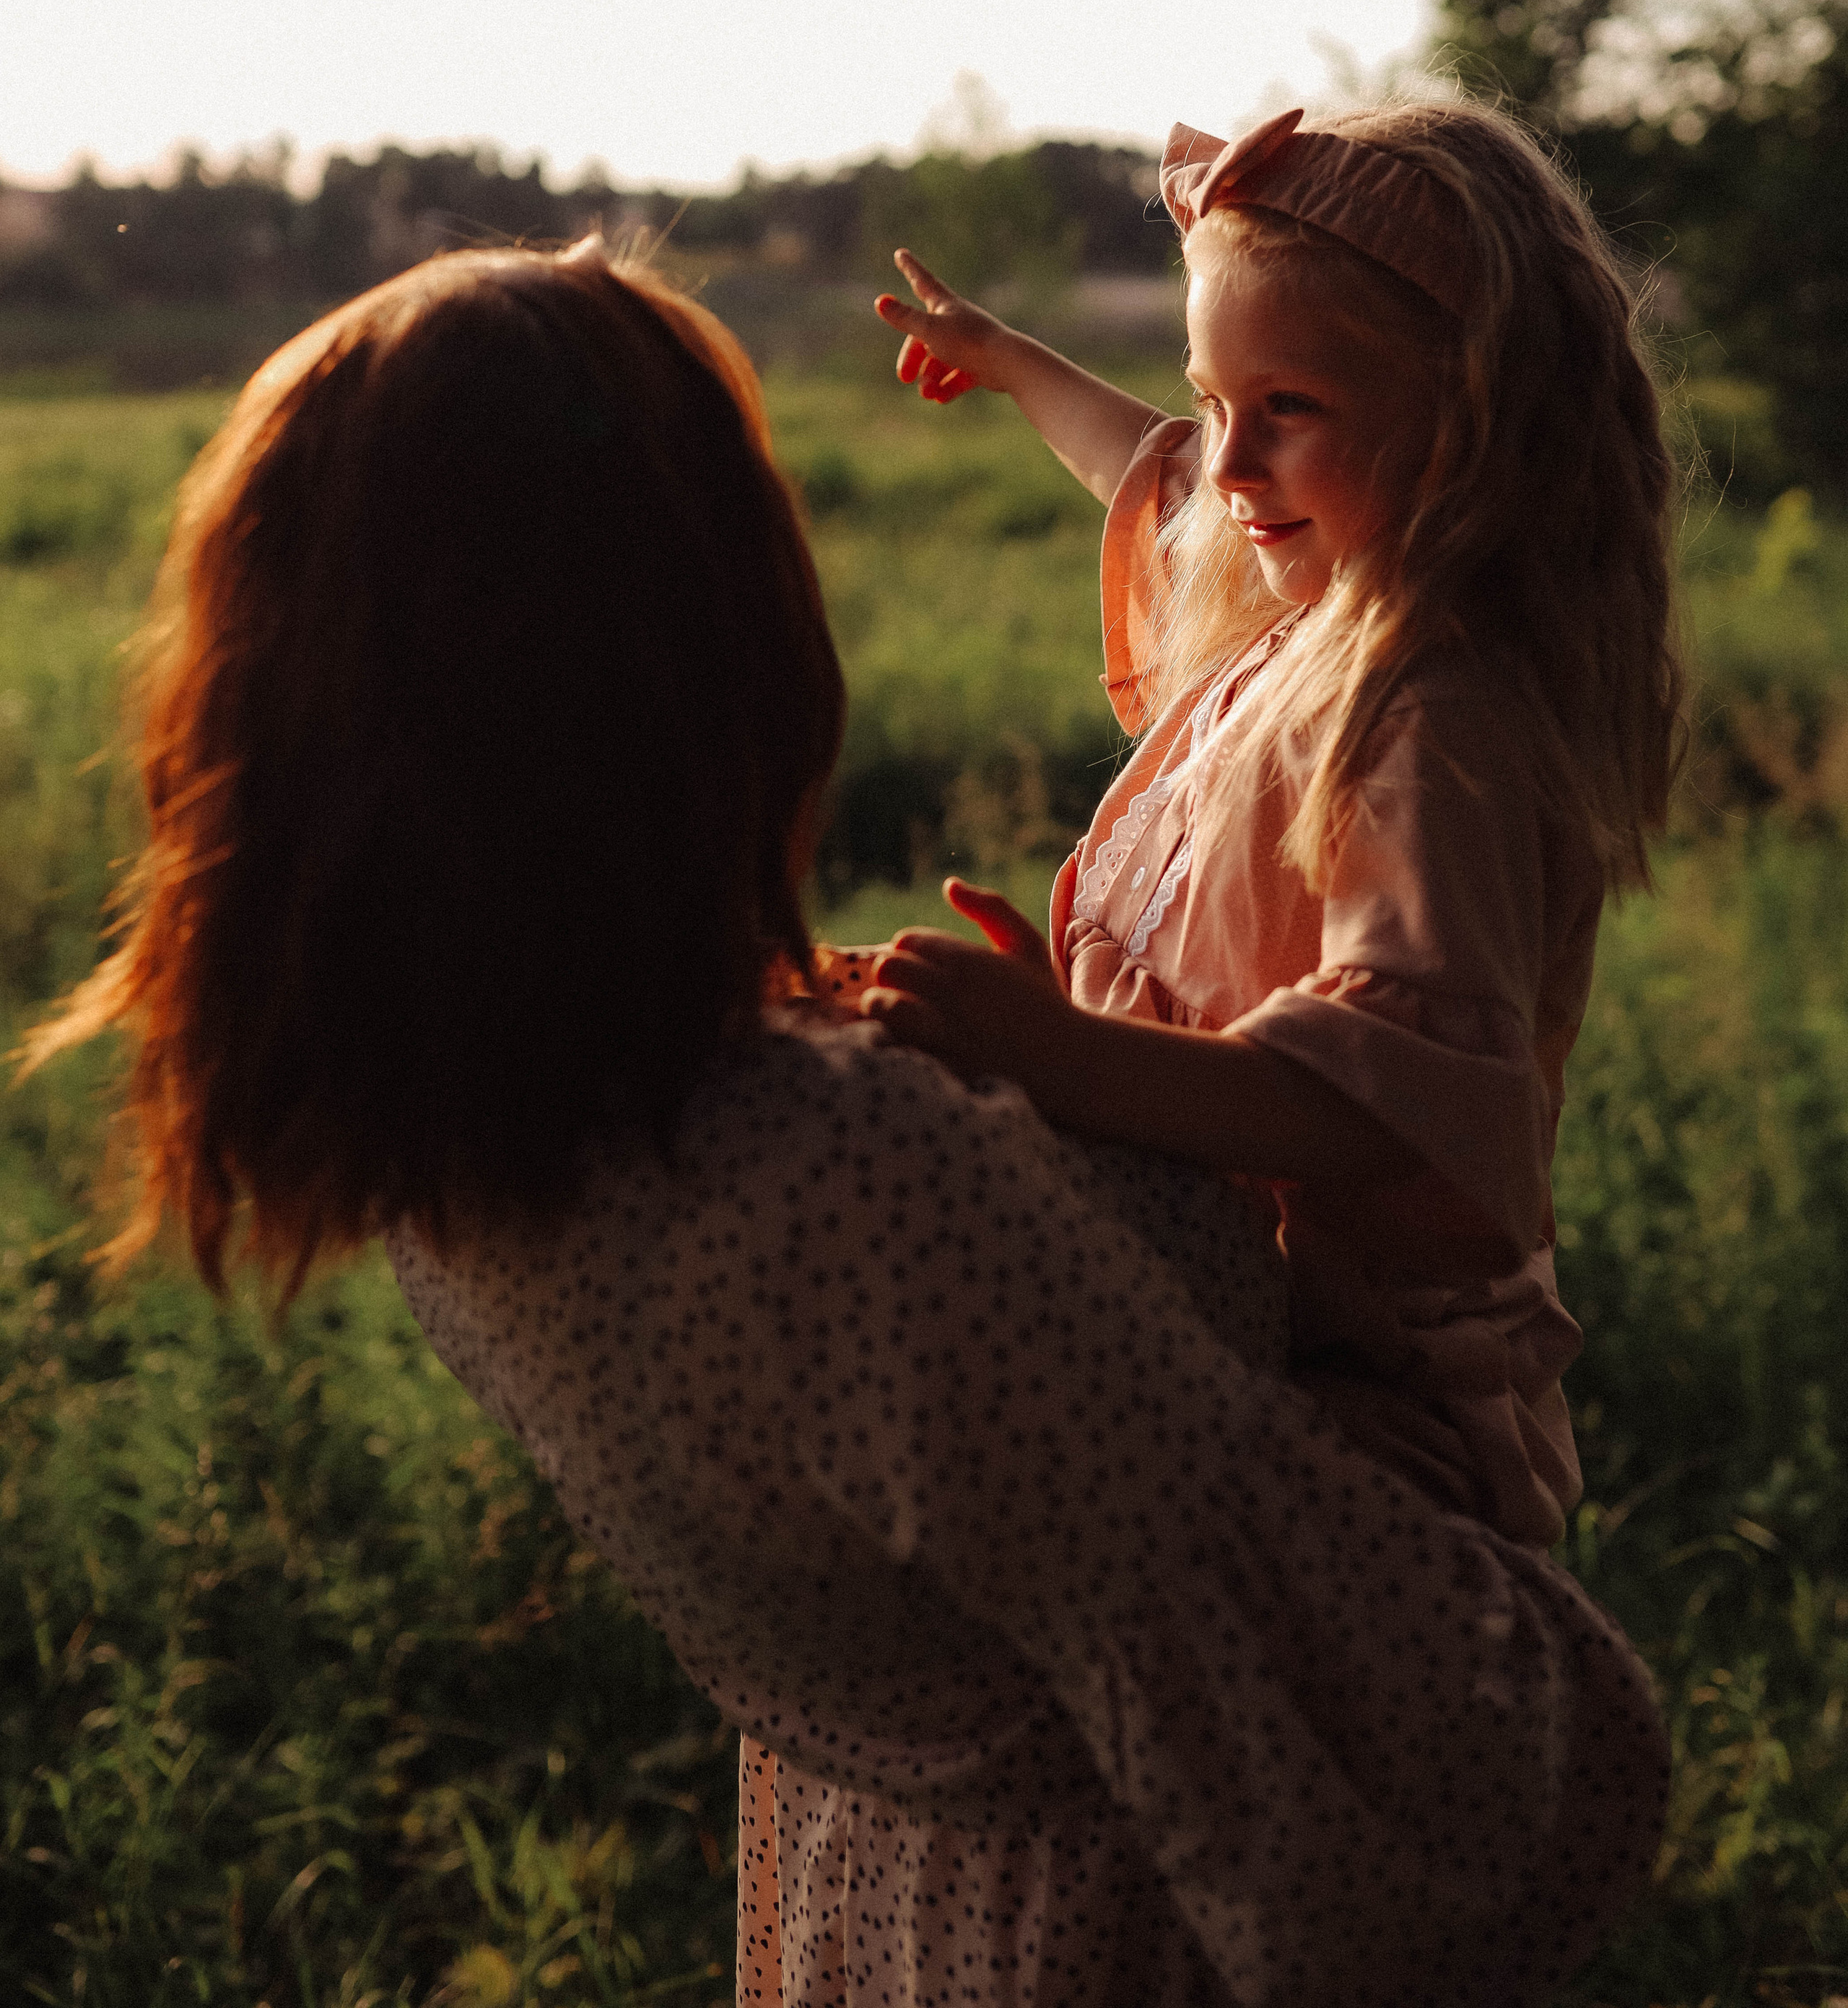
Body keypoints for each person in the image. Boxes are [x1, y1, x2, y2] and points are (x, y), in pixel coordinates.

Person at [25, 237, 1668, 2008]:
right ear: (698, 645)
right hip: (1108, 1937)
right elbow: (1488, 1774)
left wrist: (1082, 1107)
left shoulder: (459, 1126)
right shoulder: (861, 1179)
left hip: (871, 1899)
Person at [868, 99, 1683, 1555]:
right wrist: (1016, 366)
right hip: (1243, 1346)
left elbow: (1389, 1094)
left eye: (1288, 407)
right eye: (1212, 400)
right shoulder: (1327, 604)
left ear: (1471, 423)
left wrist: (1062, 1056)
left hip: (1369, 1416)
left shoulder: (1434, 717)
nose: (1231, 464)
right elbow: (1166, 476)